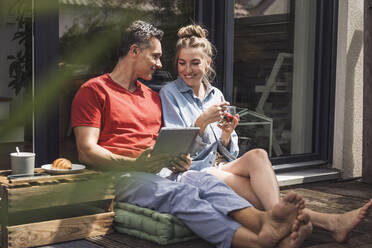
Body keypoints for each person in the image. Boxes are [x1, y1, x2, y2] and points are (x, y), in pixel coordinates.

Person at [70, 20, 307, 248]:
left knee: (206, 182)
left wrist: (177, 159)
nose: (160, 64)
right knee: (183, 194)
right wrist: (135, 163)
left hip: (161, 171)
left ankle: (265, 223)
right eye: (155, 56)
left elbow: (164, 144)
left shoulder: (152, 97)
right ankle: (256, 241)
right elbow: (86, 151)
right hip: (122, 176)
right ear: (134, 51)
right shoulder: (94, 90)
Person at [159, 23, 372, 246]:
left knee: (258, 154)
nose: (187, 70)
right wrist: (201, 122)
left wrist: (227, 135)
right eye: (182, 63)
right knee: (254, 191)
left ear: (207, 63)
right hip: (194, 171)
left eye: (195, 63)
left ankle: (288, 219)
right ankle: (320, 221)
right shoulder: (170, 93)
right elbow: (176, 149)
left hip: (219, 165)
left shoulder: (216, 94)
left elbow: (229, 152)